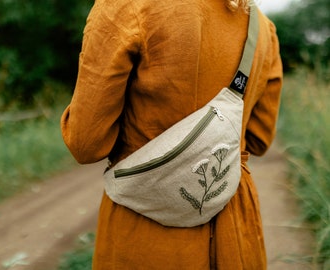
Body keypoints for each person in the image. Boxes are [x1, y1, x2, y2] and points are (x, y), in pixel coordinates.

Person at [61, 0, 283, 268]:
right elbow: (259, 139)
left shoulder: (127, 6)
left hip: (144, 229)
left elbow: (86, 144)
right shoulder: (261, 27)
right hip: (235, 231)